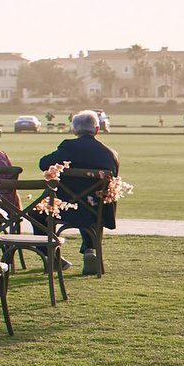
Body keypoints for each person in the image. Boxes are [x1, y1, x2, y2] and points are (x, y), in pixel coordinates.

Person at [38, 111, 120, 276]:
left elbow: (43, 163)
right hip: (97, 211)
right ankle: (90, 250)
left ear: (74, 130)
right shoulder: (110, 155)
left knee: (36, 213)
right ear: (97, 130)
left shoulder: (69, 147)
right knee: (91, 203)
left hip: (65, 208)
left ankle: (51, 256)